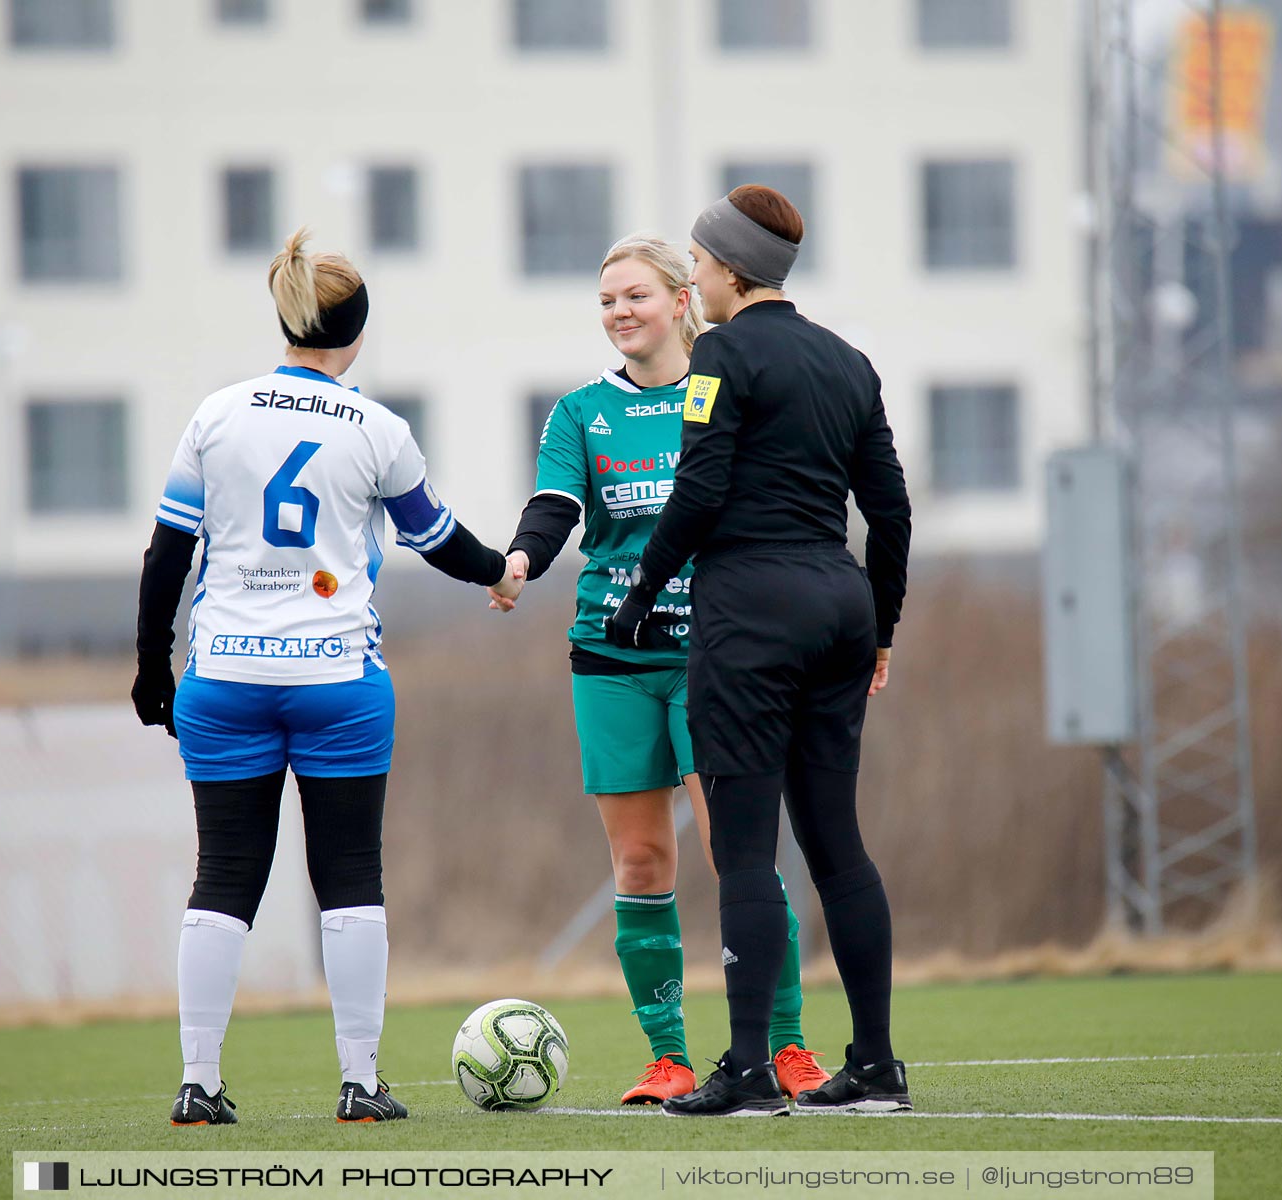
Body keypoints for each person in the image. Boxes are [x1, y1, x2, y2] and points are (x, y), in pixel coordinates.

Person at [132, 227, 523, 1126]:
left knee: (224, 873)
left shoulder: (218, 414)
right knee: (349, 874)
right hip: (339, 681)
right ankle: (359, 1082)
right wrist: (503, 572)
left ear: (285, 318)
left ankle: (198, 1084)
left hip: (223, 677)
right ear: (357, 332)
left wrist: (154, 663)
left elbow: (167, 551)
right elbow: (436, 539)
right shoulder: (378, 429)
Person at [489, 235, 833, 1106]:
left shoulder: (721, 396)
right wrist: (524, 559)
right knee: (641, 862)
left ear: (684, 301)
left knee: (736, 852)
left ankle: (786, 1046)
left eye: (635, 296)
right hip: (610, 657)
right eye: (607, 301)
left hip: (713, 656)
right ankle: (670, 1056)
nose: (620, 314)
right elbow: (556, 504)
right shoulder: (579, 413)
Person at [606, 187, 913, 1116]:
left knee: (744, 850)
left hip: (749, 609)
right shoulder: (847, 361)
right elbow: (890, 512)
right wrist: (883, 626)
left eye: (696, 265)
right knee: (837, 846)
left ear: (731, 272)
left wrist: (645, 593)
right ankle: (877, 1067)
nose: (691, 280)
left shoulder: (722, 356)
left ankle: (743, 1069)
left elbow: (697, 496)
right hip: (838, 603)